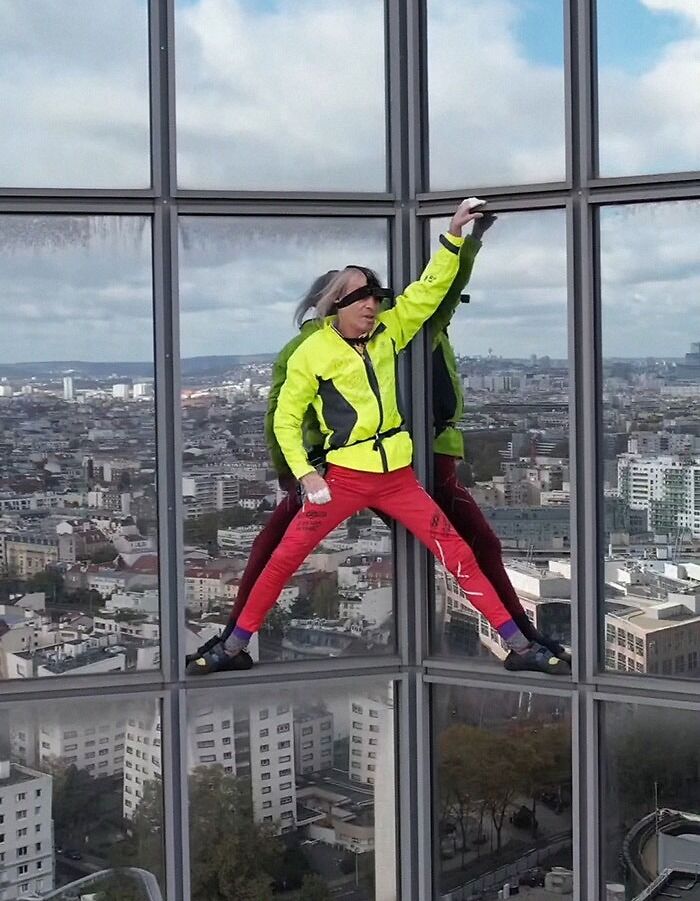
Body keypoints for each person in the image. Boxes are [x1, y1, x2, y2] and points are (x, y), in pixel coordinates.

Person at [187, 199, 569, 677]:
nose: (372, 304)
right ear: (336, 304)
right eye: (360, 297)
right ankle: (234, 644)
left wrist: (455, 237)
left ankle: (517, 645)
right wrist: (306, 475)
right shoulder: (313, 351)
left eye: (375, 295)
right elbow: (285, 418)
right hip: (344, 476)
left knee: (459, 554)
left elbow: (432, 291)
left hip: (396, 476)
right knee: (284, 557)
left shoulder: (387, 332)